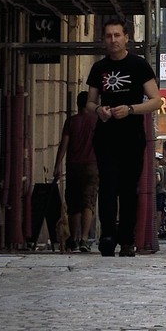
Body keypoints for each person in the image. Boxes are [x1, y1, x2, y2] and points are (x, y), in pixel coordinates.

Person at [87, 16, 161, 255]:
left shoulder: (139, 65)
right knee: (107, 186)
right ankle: (107, 236)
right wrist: (100, 110)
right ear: (104, 40)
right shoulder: (99, 68)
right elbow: (89, 102)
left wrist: (130, 109)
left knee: (129, 189)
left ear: (126, 38)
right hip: (106, 136)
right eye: (109, 36)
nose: (113, 40)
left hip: (132, 137)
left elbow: (156, 100)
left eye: (117, 35)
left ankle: (127, 239)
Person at [54, 90, 99, 252]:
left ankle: (73, 238)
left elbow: (63, 145)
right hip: (92, 166)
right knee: (88, 202)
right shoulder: (97, 121)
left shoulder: (71, 122)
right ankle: (84, 239)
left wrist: (57, 165)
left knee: (73, 203)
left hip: (73, 166)